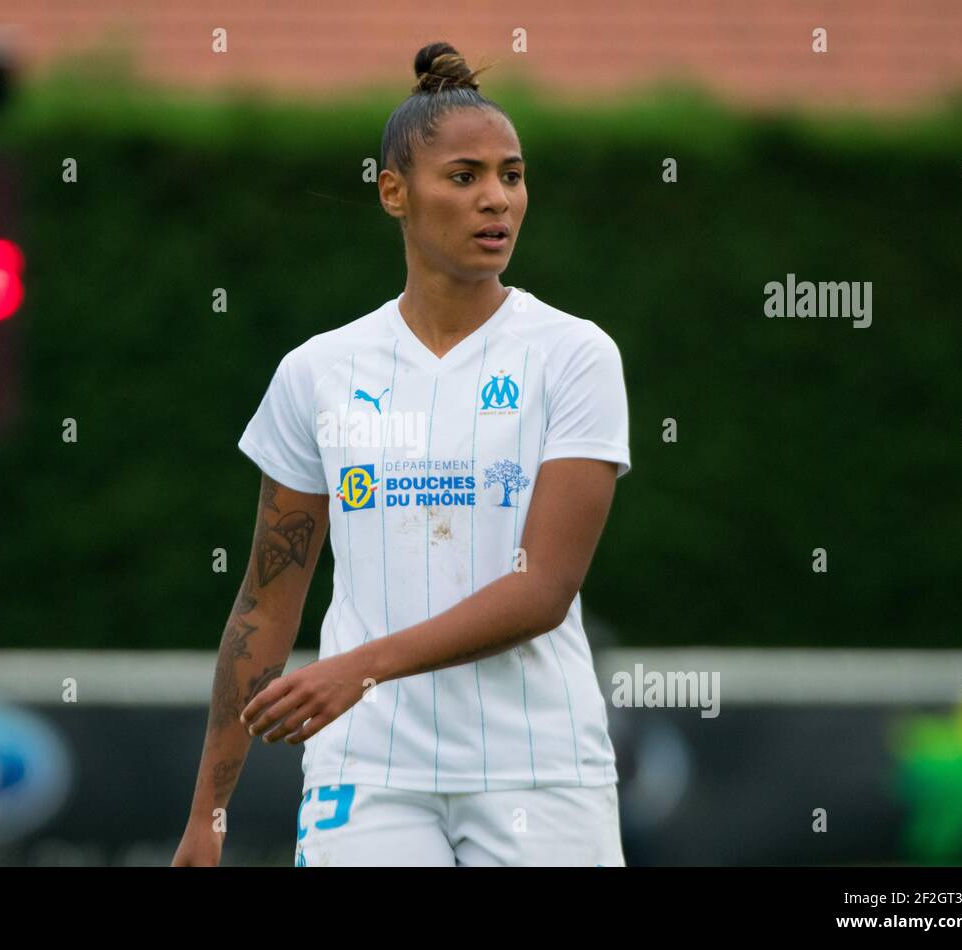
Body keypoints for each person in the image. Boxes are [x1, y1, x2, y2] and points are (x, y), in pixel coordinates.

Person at [174, 41, 630, 867]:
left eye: (513, 174)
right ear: (394, 193)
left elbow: (543, 590)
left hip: (540, 773)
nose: (497, 199)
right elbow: (266, 601)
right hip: (368, 775)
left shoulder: (575, 355)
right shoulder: (317, 372)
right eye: (464, 176)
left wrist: (361, 669)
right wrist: (209, 809)